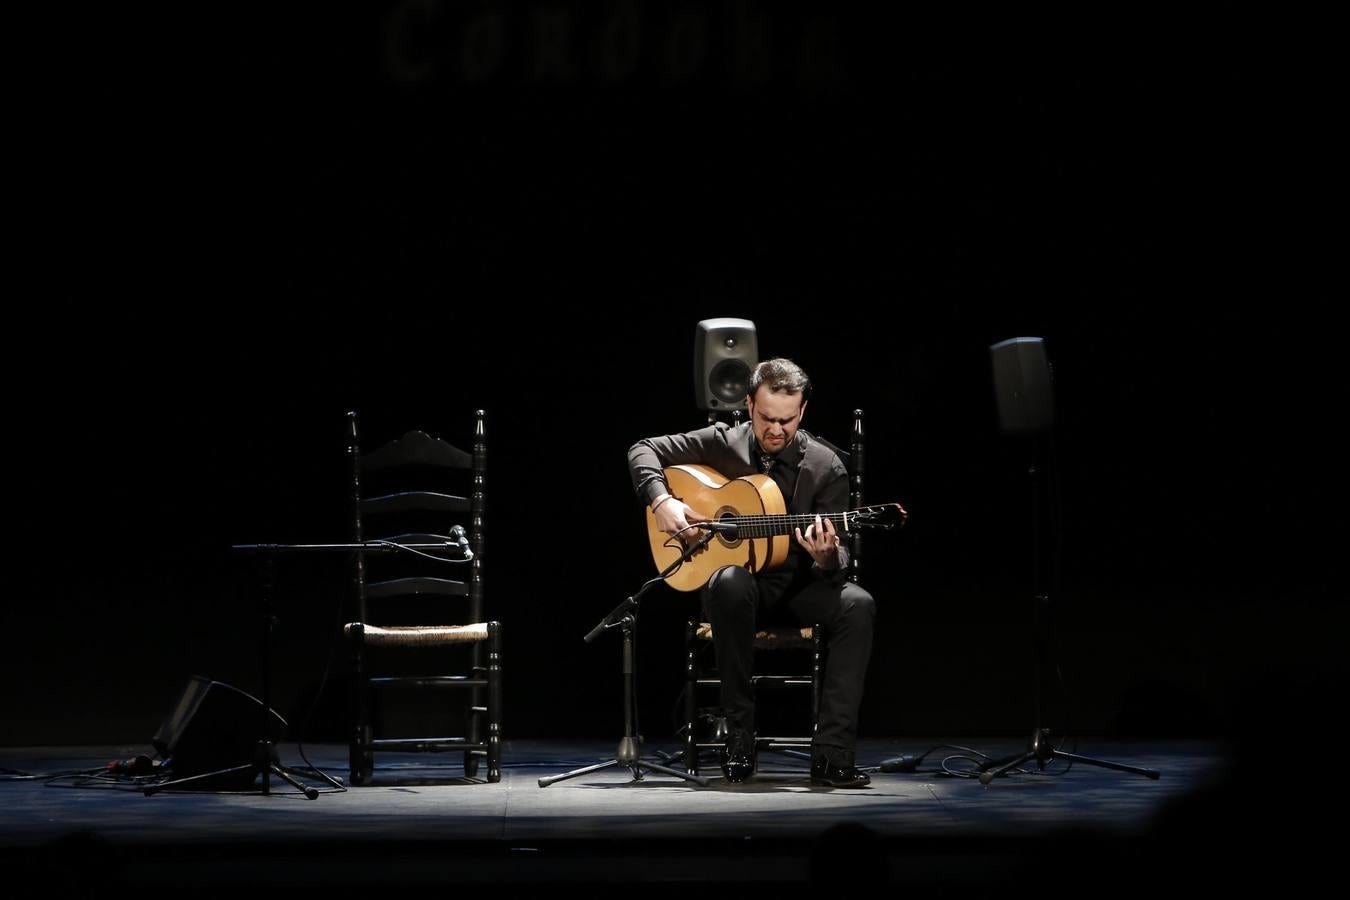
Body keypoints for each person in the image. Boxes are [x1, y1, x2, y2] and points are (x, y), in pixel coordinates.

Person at [627, 358, 880, 787]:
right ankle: (739, 737)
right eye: (766, 418)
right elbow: (642, 449)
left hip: (799, 588)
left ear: (802, 413)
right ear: (748, 405)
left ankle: (833, 753)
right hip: (737, 592)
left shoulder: (825, 468)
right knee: (728, 581)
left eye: (786, 419)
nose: (776, 429)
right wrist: (661, 501)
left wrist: (826, 557)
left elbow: (838, 564)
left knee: (858, 604)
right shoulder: (722, 442)